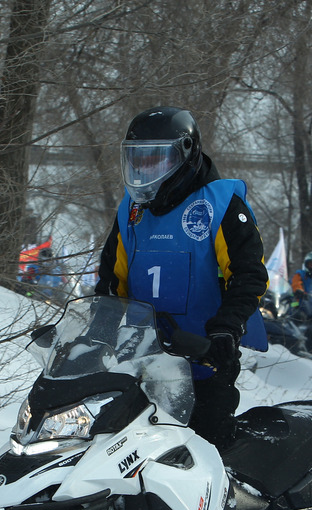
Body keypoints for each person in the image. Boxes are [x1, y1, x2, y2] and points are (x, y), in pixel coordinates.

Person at [95, 106, 268, 448]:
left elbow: (249, 275)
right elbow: (110, 283)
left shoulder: (220, 205)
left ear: (184, 156)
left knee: (202, 452)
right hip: (138, 363)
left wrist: (226, 329)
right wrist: (97, 335)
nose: (145, 170)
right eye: (138, 160)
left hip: (205, 360)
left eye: (155, 159)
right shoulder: (130, 213)